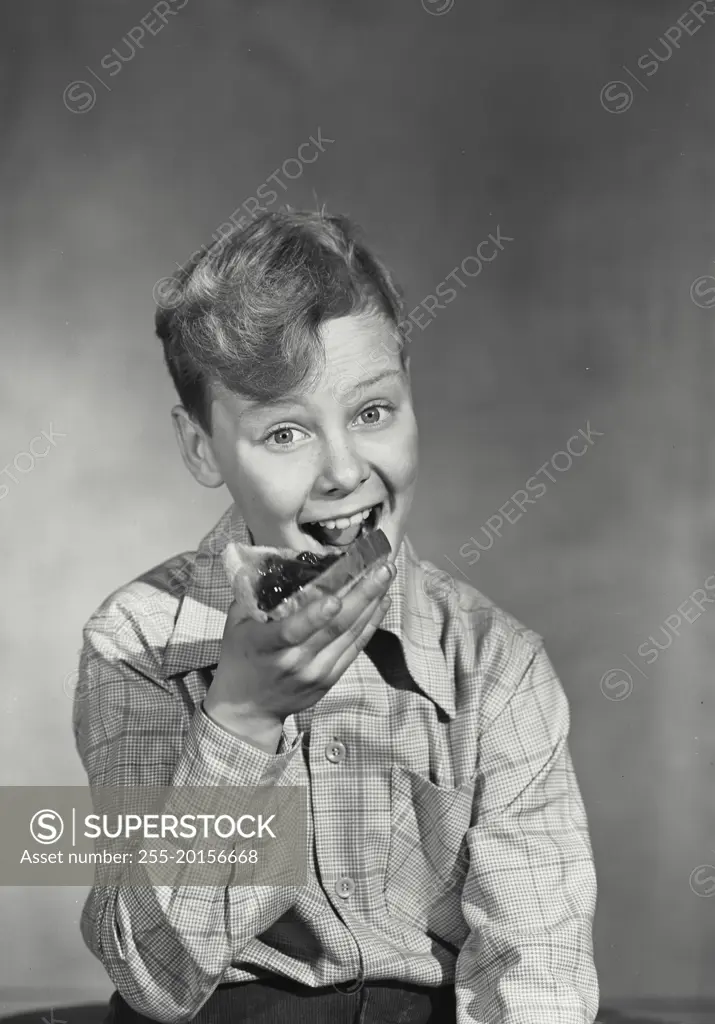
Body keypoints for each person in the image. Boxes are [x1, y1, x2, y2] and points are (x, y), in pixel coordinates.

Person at [73, 208, 599, 1024]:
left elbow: (537, 977)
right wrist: (241, 719)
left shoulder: (495, 664)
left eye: (372, 412)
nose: (345, 470)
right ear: (202, 449)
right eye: (284, 431)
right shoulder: (137, 642)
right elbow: (154, 973)